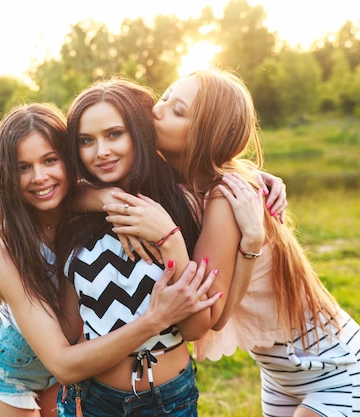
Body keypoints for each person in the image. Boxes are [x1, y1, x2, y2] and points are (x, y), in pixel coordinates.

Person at [0, 102, 221, 417]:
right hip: (14, 370)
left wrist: (249, 179)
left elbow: (189, 164)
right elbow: (63, 364)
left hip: (81, 356)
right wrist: (155, 319)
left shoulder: (82, 201)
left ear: (68, 157)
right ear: (6, 174)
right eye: (23, 167)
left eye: (49, 160)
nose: (40, 177)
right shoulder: (5, 247)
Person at [149, 68, 360, 416]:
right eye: (166, 97)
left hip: (335, 371)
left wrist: (251, 244)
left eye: (178, 111)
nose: (159, 109)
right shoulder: (184, 187)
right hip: (281, 376)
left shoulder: (225, 198)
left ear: (206, 136)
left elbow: (212, 317)